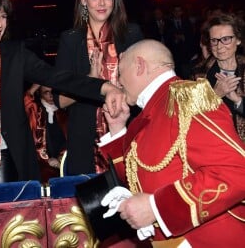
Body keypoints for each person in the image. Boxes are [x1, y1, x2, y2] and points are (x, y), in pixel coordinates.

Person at [0, 0, 125, 188]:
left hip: (1, 161)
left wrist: (103, 87)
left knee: (4, 219)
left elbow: (59, 77)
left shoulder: (15, 55)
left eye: (3, 17)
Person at [96, 39, 245, 247]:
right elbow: (140, 177)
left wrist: (156, 207)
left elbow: (236, 171)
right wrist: (117, 129)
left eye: (120, 73)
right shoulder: (148, 112)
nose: (118, 82)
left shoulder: (188, 97)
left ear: (140, 65)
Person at [53, 0, 144, 176]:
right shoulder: (71, 39)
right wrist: (91, 81)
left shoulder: (131, 34)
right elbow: (60, 100)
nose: (102, 4)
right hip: (84, 140)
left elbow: (145, 89)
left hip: (128, 134)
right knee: (90, 206)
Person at [192, 12, 245, 142]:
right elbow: (190, 114)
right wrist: (216, 94)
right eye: (214, 40)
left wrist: (237, 100)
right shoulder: (199, 73)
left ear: (238, 40)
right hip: (213, 142)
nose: (219, 46)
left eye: (226, 39)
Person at [24, 84, 67, 173]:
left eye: (53, 92)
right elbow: (26, 100)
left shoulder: (64, 113)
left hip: (62, 164)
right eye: (46, 93)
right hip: (40, 165)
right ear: (39, 94)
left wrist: (60, 161)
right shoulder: (36, 112)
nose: (51, 96)